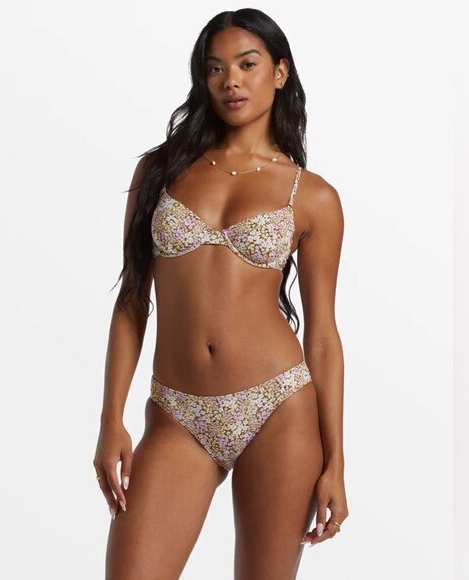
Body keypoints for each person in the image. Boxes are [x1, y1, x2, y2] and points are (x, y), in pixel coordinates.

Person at [94, 8, 348, 579]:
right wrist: (111, 419)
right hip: (177, 413)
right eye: (215, 69)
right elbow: (132, 301)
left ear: (280, 72)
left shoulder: (312, 197)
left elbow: (323, 337)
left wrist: (336, 462)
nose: (230, 80)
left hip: (278, 408)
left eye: (247, 64)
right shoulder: (159, 172)